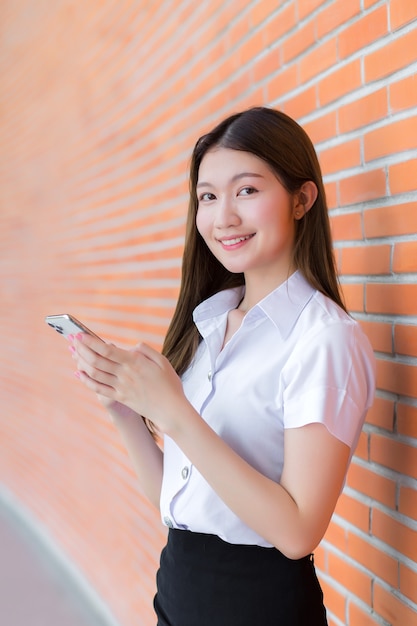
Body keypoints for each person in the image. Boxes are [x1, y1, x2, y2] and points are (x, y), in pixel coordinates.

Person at [70, 107, 376, 626]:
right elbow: (180, 501)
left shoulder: (324, 340)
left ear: (302, 199)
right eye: (208, 196)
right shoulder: (211, 326)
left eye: (247, 191)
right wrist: (124, 409)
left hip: (257, 605)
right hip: (179, 589)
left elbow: (299, 531)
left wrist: (175, 414)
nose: (223, 217)